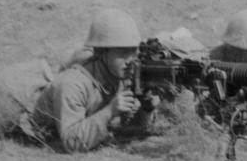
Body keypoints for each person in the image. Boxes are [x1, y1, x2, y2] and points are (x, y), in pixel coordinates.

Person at [31, 8, 158, 152]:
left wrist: (146, 109)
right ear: (101, 52)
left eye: (133, 51)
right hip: (32, 126)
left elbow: (124, 132)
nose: (130, 60)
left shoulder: (120, 75)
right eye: (122, 52)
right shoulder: (72, 84)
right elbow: (71, 142)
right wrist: (110, 111)